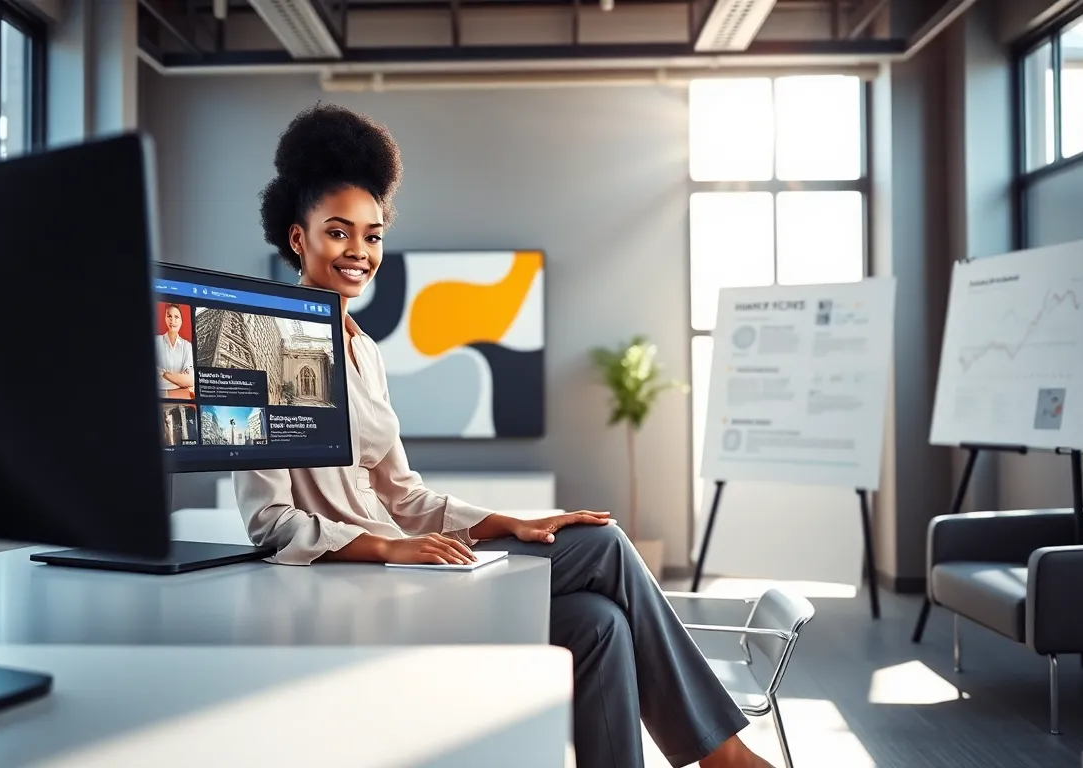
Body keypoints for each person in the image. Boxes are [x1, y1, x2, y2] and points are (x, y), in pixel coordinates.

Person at [235, 104, 775, 768]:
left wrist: (505, 524)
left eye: (373, 236)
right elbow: (268, 521)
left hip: (409, 570)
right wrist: (386, 548)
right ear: (298, 238)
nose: (359, 253)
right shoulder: (260, 344)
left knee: (600, 627)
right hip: (354, 585)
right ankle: (725, 756)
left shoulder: (364, 349)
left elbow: (406, 495)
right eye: (339, 233)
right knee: (603, 542)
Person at [156, 303, 194, 394]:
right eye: (169, 316)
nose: (172, 320)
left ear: (181, 321)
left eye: (176, 317)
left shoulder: (187, 346)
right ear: (165, 319)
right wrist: (179, 381)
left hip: (181, 396)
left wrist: (163, 373)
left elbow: (190, 380)